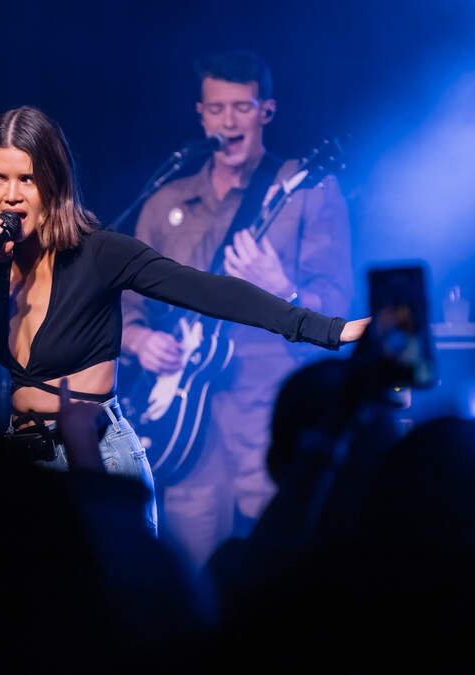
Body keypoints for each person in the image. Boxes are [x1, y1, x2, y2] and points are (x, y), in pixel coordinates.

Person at [0, 106, 367, 535]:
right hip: (19, 460)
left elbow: (211, 292)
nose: (11, 195)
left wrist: (329, 329)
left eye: (27, 178)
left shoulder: (99, 253)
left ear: (53, 182)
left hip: (95, 456)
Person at [121, 50, 353, 567]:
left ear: (266, 111)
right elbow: (124, 300)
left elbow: (338, 306)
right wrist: (139, 340)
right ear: (200, 114)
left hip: (271, 426)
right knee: (194, 583)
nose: (229, 122)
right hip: (184, 434)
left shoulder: (307, 190)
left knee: (281, 580)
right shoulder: (165, 202)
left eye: (242, 108)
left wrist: (284, 290)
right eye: (217, 109)